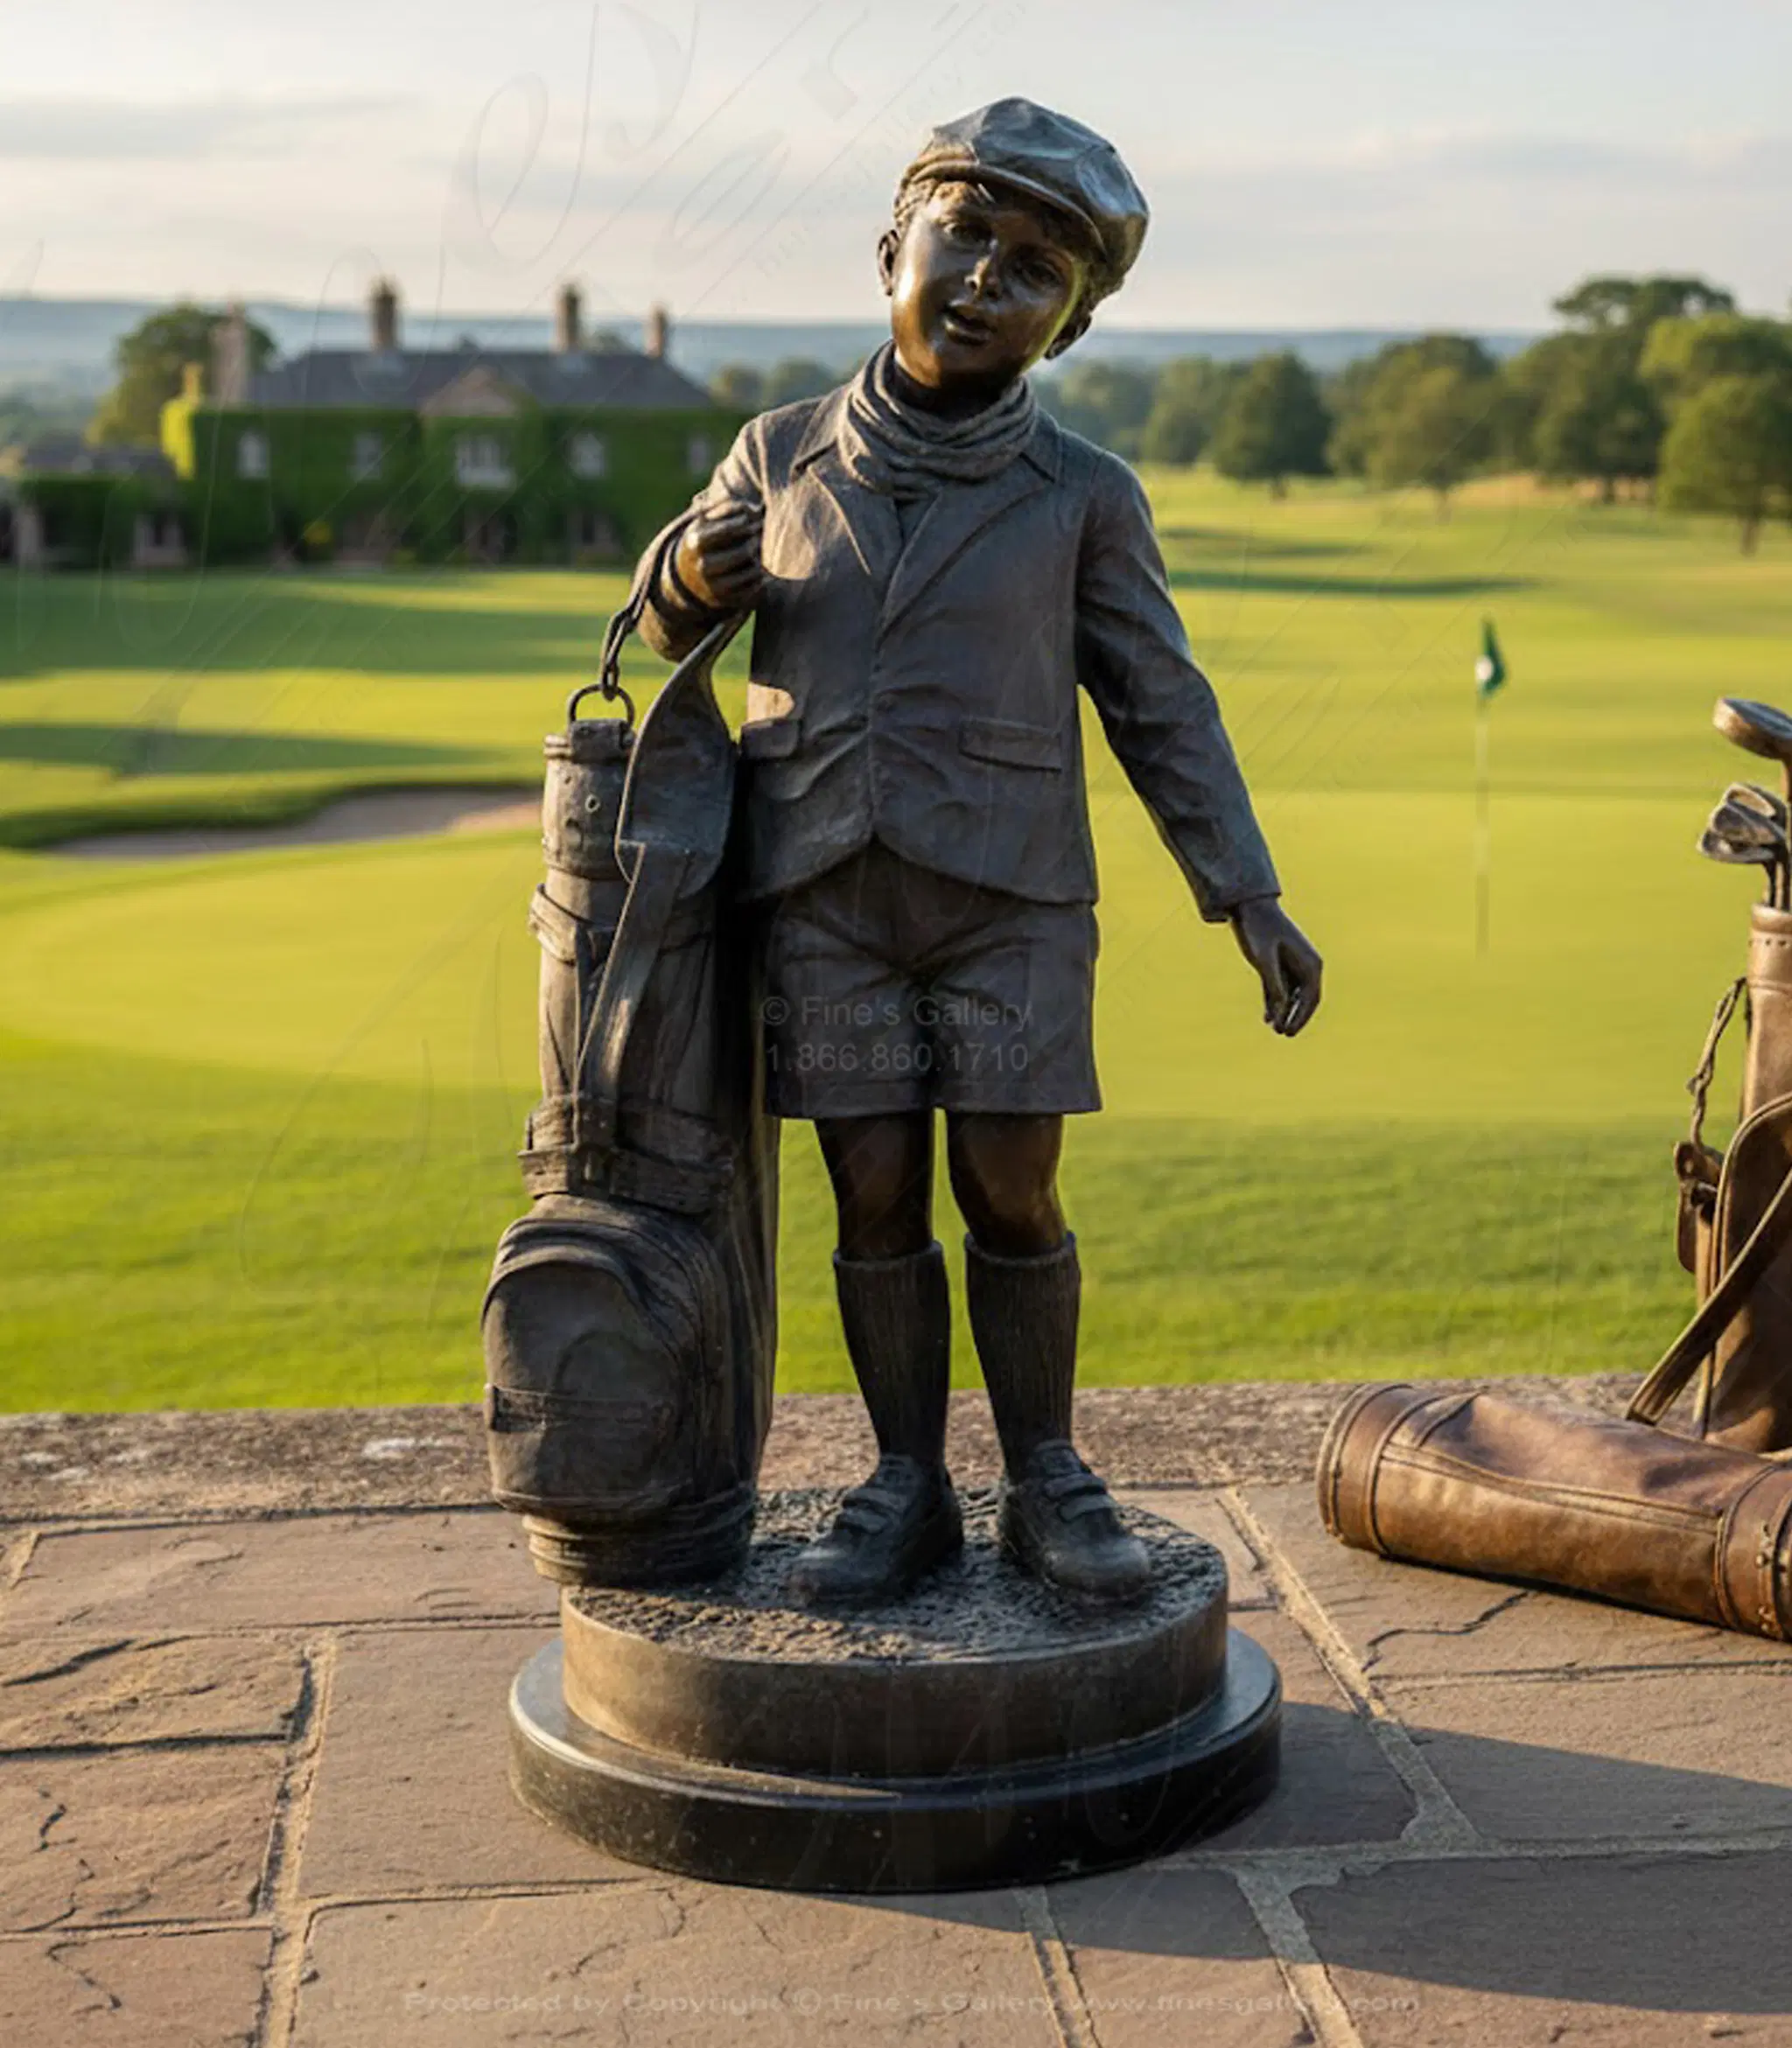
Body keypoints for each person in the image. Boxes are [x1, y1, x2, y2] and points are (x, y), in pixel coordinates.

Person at [634, 98, 1322, 1609]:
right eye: (965, 237)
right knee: (871, 1195)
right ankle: (903, 1483)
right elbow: (653, 614)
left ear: (1067, 327)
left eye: (1035, 268)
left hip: (1010, 901)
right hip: (821, 889)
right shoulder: (779, 450)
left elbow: (1162, 700)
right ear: (894, 245)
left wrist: (1245, 891)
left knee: (1012, 1191)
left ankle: (1047, 1477)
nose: (986, 281)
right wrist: (688, 576)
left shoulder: (1082, 494)